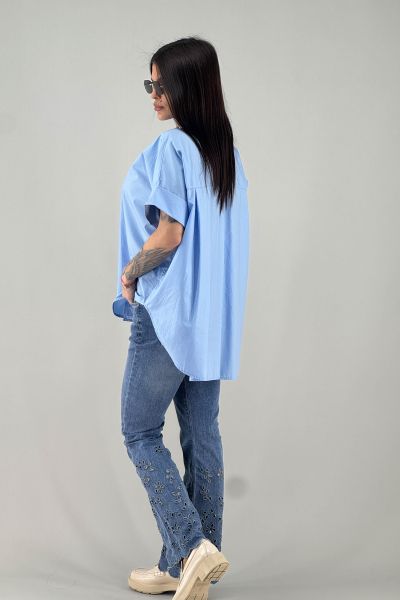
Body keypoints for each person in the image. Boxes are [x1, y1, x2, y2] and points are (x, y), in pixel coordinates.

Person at [112, 36, 249, 600]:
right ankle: (188, 566)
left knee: (139, 430)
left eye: (162, 85)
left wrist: (130, 271)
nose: (154, 95)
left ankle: (192, 547)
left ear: (189, 87)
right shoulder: (225, 156)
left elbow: (170, 234)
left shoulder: (172, 148)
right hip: (210, 319)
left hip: (169, 313)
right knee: (201, 432)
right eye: (150, 84)